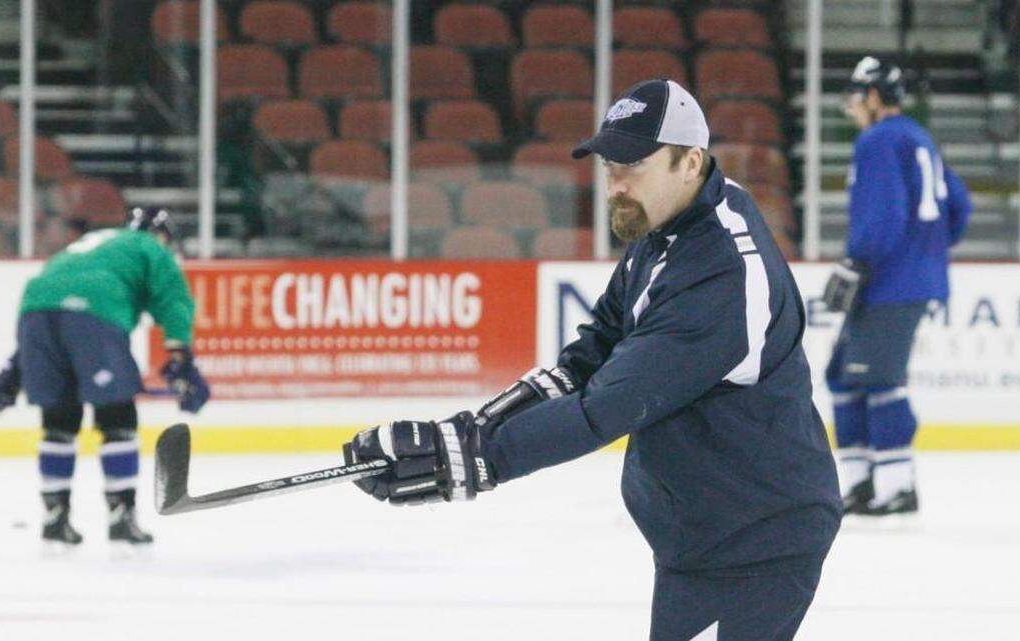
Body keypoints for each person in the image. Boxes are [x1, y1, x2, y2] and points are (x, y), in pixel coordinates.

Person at [342, 79, 842, 641]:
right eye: (609, 165)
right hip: (708, 529)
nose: (615, 184)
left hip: (755, 544)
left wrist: (477, 460)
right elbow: (595, 350)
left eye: (633, 166)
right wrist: (469, 431)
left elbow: (607, 406)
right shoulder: (673, 223)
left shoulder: (721, 277)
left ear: (690, 161)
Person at [0, 208, 210, 548]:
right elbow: (173, 298)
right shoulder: (150, 246)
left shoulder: (92, 244)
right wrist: (182, 359)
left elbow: (52, 298)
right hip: (94, 312)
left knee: (59, 420)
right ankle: (122, 517)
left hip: (35, 312)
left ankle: (54, 518)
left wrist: (17, 367)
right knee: (117, 416)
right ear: (161, 235)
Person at [824, 56, 971, 517]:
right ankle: (864, 482)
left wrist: (858, 261)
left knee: (878, 379)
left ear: (872, 95)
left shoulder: (878, 140)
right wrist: (928, 253)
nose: (851, 104)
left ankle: (895, 485)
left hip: (888, 281)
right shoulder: (917, 136)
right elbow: (959, 205)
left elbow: (882, 216)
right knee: (843, 375)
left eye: (856, 94)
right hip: (907, 276)